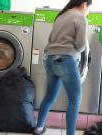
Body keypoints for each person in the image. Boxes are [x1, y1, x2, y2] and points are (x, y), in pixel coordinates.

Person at [33, 0, 92, 135]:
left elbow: (50, 38)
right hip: (66, 61)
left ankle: (39, 129)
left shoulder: (61, 16)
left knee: (49, 97)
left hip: (50, 60)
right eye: (89, 8)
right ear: (84, 4)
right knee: (74, 100)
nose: (88, 12)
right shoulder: (80, 17)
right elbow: (81, 45)